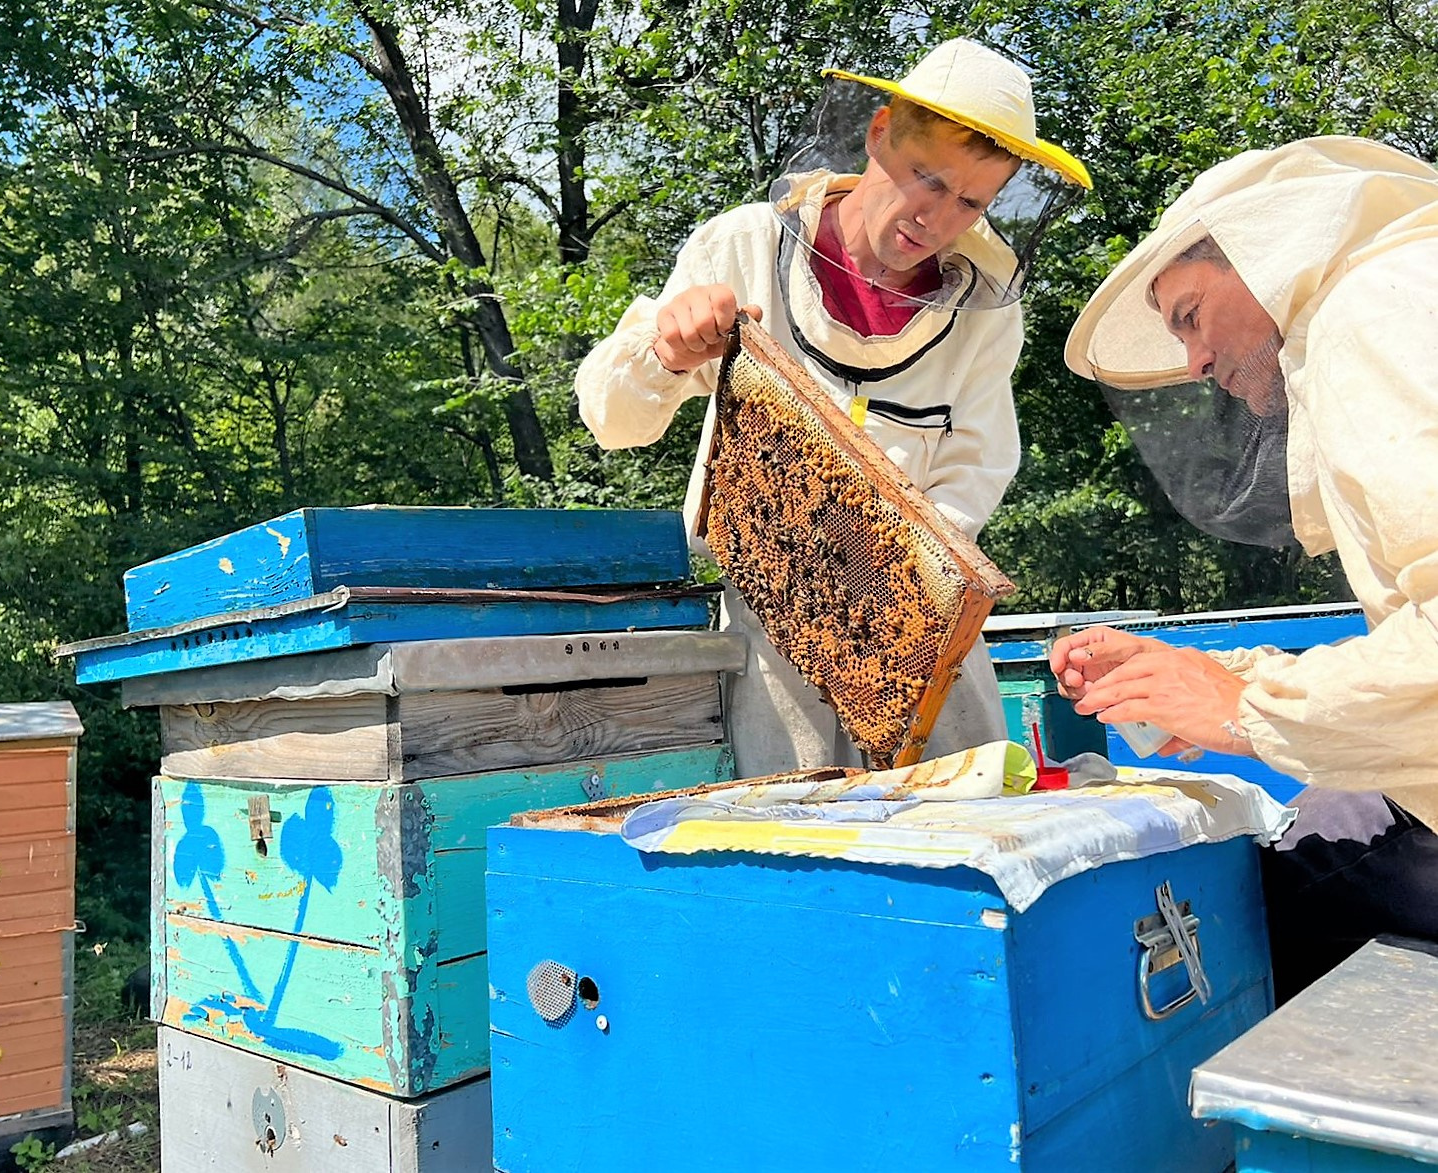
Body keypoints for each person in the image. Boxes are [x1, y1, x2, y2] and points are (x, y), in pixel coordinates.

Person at [576, 38, 1091, 777]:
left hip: (917, 617)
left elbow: (976, 468)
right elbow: (610, 418)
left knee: (964, 826)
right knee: (791, 844)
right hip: (760, 622)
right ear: (878, 133)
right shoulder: (744, 246)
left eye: (970, 201)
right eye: (926, 178)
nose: (937, 216)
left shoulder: (984, 309)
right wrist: (669, 349)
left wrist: (893, 590)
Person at [1051, 136, 1438, 998]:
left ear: (1267, 252)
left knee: (1240, 918)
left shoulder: (1369, 310)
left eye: (1189, 314)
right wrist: (1211, 674)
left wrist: (1245, 708)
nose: (1192, 363)